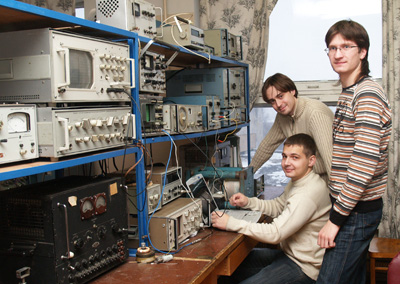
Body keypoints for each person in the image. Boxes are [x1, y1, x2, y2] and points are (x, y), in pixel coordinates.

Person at [316, 20, 392, 284]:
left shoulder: (367, 94)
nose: (337, 54)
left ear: (363, 51)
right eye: (332, 48)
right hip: (350, 209)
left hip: (355, 212)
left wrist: (334, 221)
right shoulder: (350, 92)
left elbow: (363, 166)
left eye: (346, 46)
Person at [212, 133, 331, 284]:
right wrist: (248, 202)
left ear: (311, 160)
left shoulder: (307, 193)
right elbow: (278, 206)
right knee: (229, 270)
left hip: (303, 268)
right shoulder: (299, 181)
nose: (286, 163)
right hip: (289, 255)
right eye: (284, 156)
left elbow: (276, 233)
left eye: (295, 157)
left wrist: (231, 223)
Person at [249, 73, 334, 182]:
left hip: (328, 179)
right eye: (272, 101)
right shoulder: (282, 117)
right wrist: (248, 172)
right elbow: (266, 147)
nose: (278, 104)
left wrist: (337, 195)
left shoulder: (315, 114)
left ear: (292, 91)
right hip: (307, 178)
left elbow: (330, 160)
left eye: (280, 96)